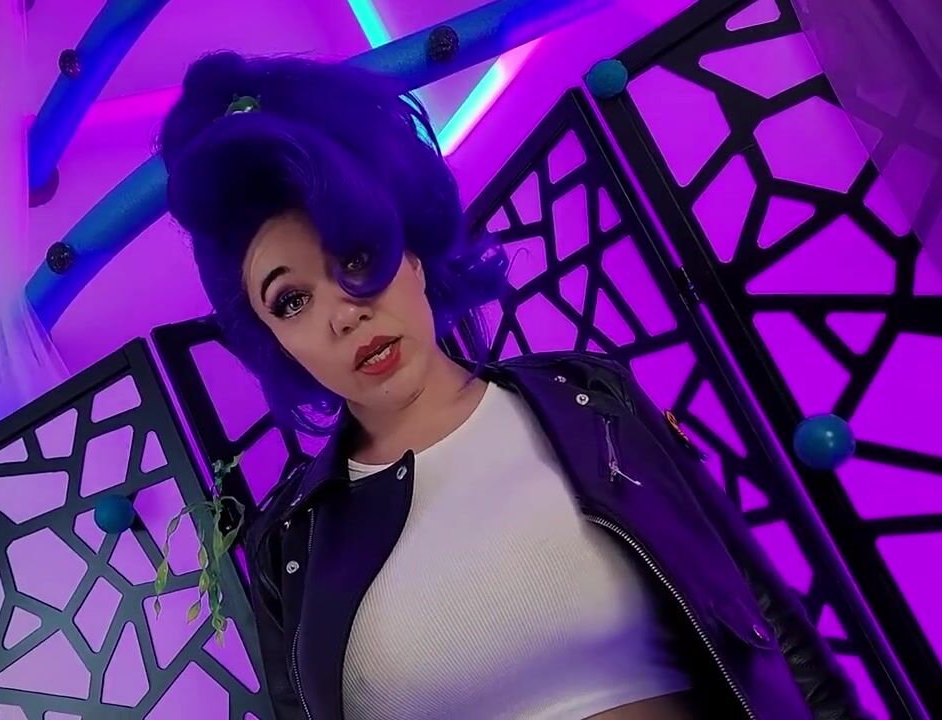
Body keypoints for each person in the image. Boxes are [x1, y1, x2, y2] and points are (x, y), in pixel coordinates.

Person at [158, 51, 864, 720]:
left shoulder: (591, 402)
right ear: (272, 338)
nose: (343, 314)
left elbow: (768, 623)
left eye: (359, 257)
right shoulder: (291, 544)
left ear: (413, 254)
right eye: (290, 300)